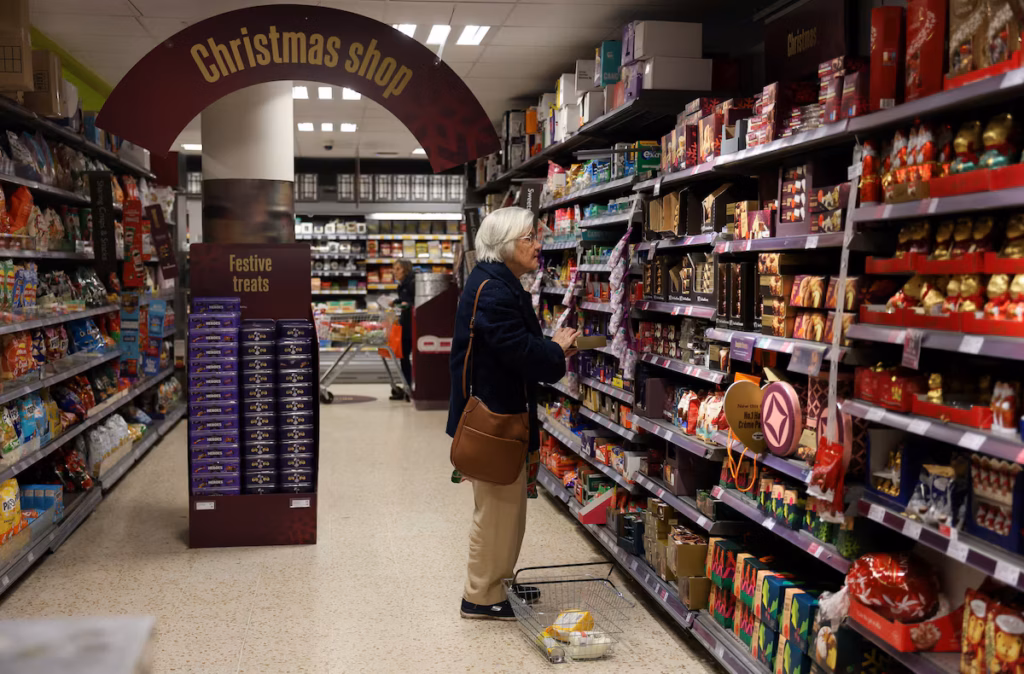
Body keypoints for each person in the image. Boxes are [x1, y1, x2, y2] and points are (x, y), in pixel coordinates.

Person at [446, 206, 580, 620]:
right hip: (493, 420)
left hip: (501, 416)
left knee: (509, 511)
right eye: (530, 238)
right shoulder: (496, 291)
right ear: (505, 243)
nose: (539, 245)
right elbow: (520, 353)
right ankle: (481, 596)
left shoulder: (496, 282)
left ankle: (499, 580)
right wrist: (555, 348)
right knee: (498, 512)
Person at [390, 259, 415, 401]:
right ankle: (407, 387)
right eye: (394, 269)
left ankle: (410, 387)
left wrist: (407, 304)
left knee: (407, 356)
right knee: (403, 356)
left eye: (398, 269)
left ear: (406, 269)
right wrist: (397, 302)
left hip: (413, 325)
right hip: (406, 324)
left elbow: (418, 301)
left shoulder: (412, 283)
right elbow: (406, 301)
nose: (395, 271)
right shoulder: (402, 285)